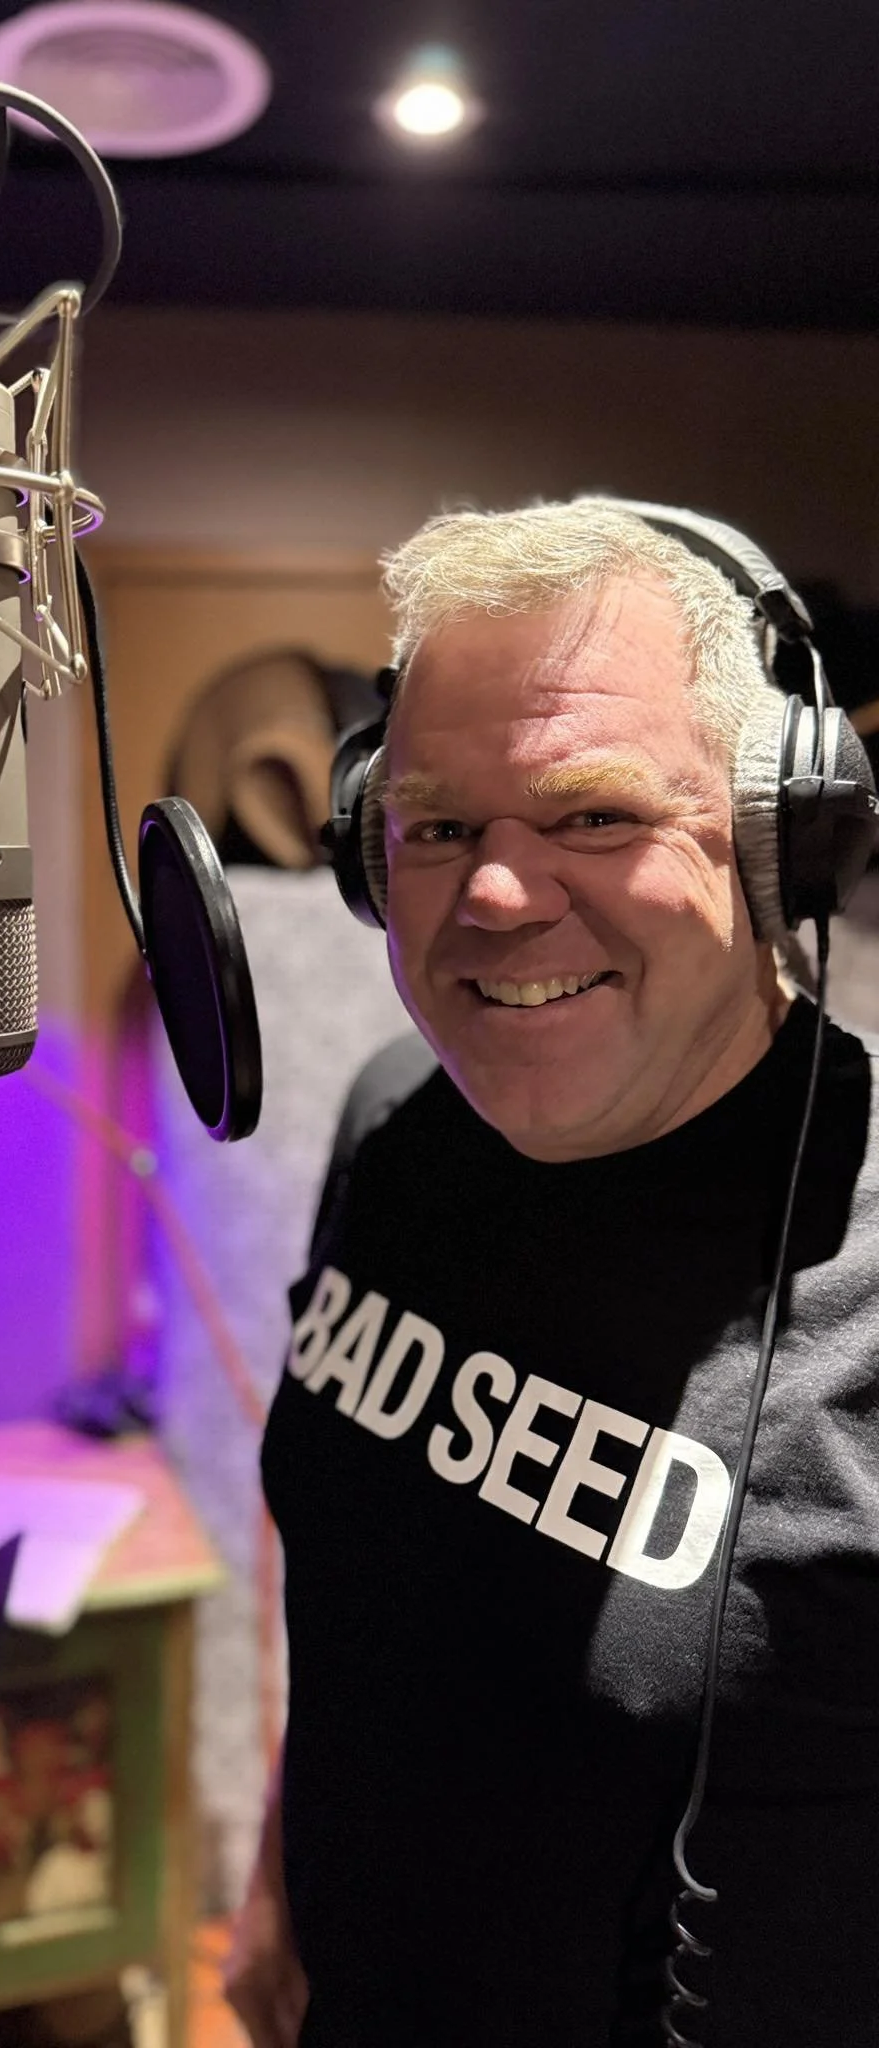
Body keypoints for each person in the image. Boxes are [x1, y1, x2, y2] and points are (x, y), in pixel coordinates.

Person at [224, 499, 879, 2048]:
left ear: (779, 832)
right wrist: (278, 1869)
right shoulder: (396, 1119)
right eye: (440, 828)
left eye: (593, 816)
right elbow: (366, 1586)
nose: (497, 899)